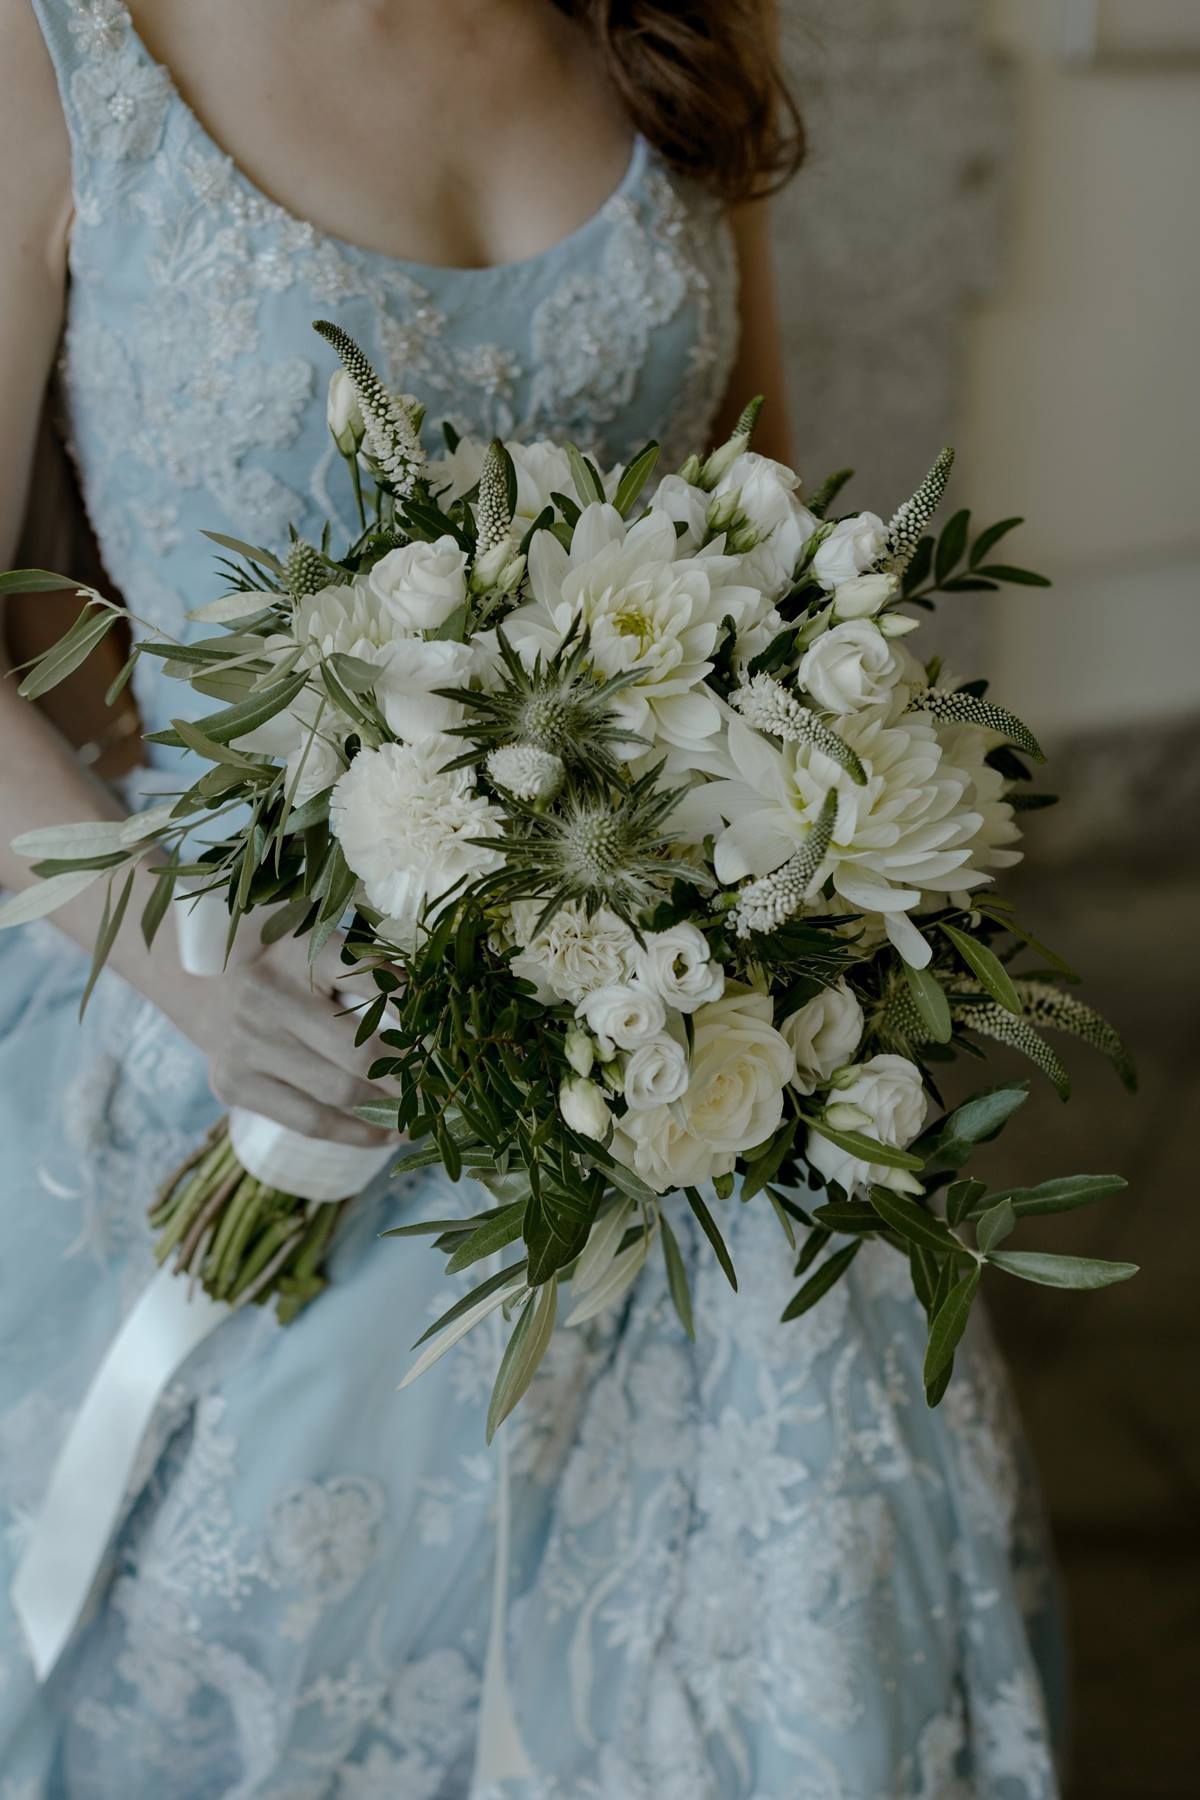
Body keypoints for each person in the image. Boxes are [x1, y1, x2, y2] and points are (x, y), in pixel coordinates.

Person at [0, 3, 1065, 1793]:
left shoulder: (684, 19)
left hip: (686, 1035)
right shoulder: (61, 46)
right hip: (246, 997)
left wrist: (796, 824)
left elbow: (766, 526)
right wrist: (185, 964)